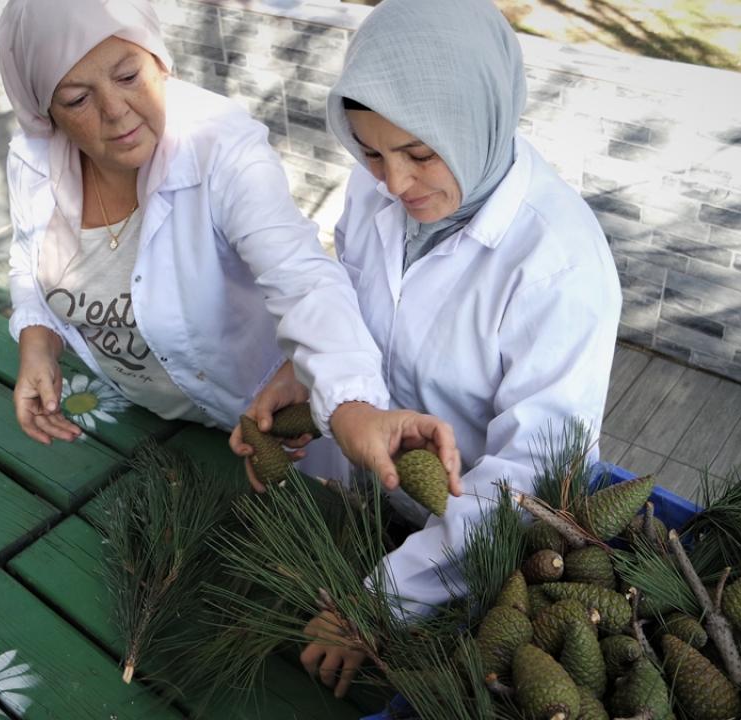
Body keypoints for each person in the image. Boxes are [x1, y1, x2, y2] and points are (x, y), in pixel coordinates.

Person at [250, 0, 622, 698]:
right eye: (370, 151)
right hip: (369, 503)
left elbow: (528, 481)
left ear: (479, 118)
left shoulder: (560, 269)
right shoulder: (376, 194)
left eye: (420, 153)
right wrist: (307, 373)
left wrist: (385, 597)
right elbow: (357, 303)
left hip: (472, 561)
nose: (393, 183)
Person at [0, 0, 461, 490]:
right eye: (76, 99)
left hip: (271, 430)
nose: (115, 111)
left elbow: (303, 278)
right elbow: (28, 259)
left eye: (128, 75)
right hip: (152, 427)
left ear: (158, 59)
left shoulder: (220, 148)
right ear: (43, 111)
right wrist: (38, 339)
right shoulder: (32, 162)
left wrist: (353, 405)